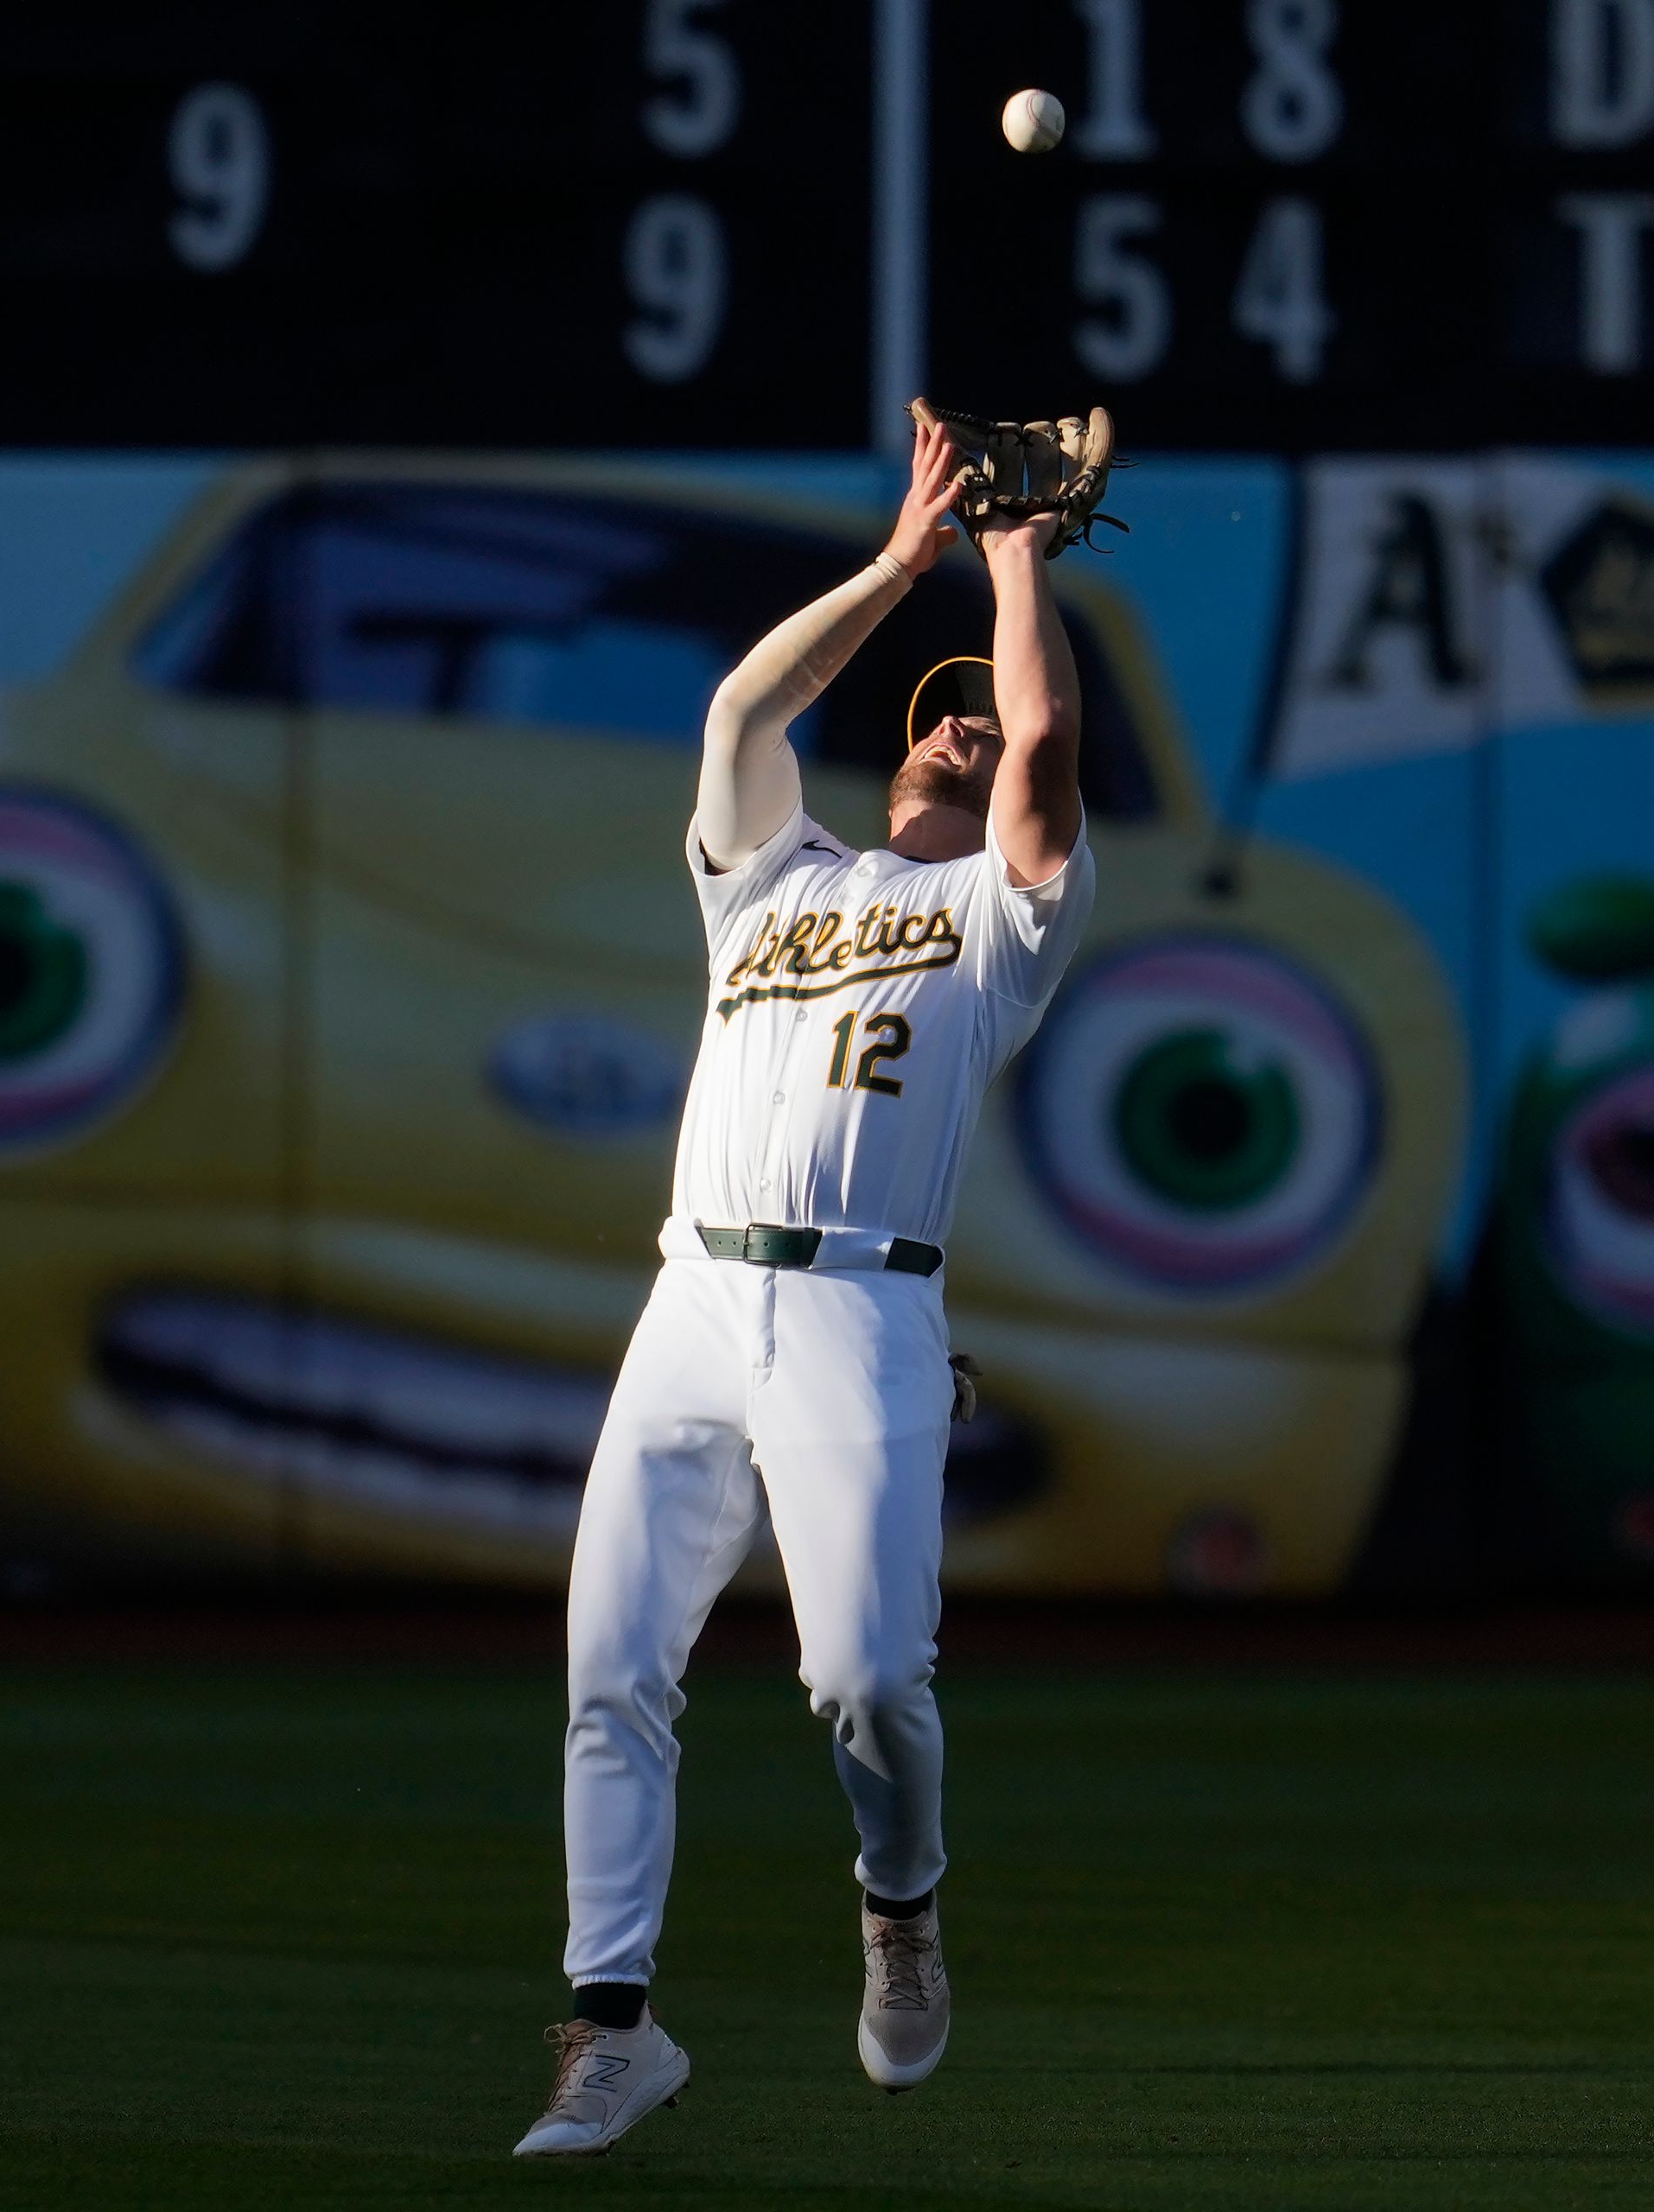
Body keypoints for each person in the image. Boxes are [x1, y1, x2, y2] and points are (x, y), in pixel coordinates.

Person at [513, 416, 1096, 2154]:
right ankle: (614, 2026)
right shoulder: (775, 882)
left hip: (861, 1307)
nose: (958, 726)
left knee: (863, 1676)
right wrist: (908, 558)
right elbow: (740, 717)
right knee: (609, 1658)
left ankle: (901, 1894)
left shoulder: (1000, 922)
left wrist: (1012, 566)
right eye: (934, 710)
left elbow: (1049, 737)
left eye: (972, 727)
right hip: (694, 1297)